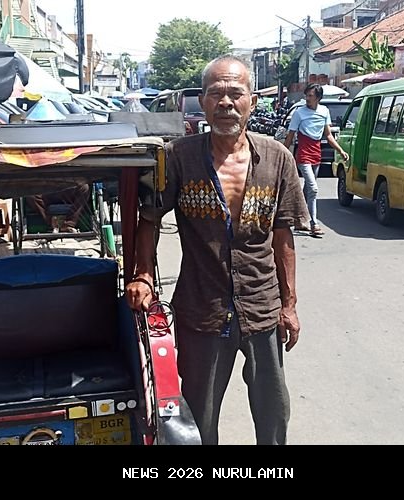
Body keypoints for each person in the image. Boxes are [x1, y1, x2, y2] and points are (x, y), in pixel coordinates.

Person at [125, 55, 309, 445]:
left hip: (262, 305)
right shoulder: (178, 157)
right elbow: (150, 218)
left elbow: (283, 236)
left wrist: (289, 305)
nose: (226, 103)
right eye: (215, 94)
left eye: (235, 93)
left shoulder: (277, 158)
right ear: (203, 102)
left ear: (252, 102)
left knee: (273, 410)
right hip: (202, 307)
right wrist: (143, 275)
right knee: (199, 416)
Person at [284, 84, 349, 237]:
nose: (307, 98)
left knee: (308, 189)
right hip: (303, 155)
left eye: (310, 96)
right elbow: (290, 136)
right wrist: (283, 155)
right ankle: (314, 223)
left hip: (316, 155)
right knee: (313, 188)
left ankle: (299, 219)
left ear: (318, 98)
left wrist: (340, 151)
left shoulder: (324, 111)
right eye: (306, 95)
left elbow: (328, 135)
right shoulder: (299, 113)